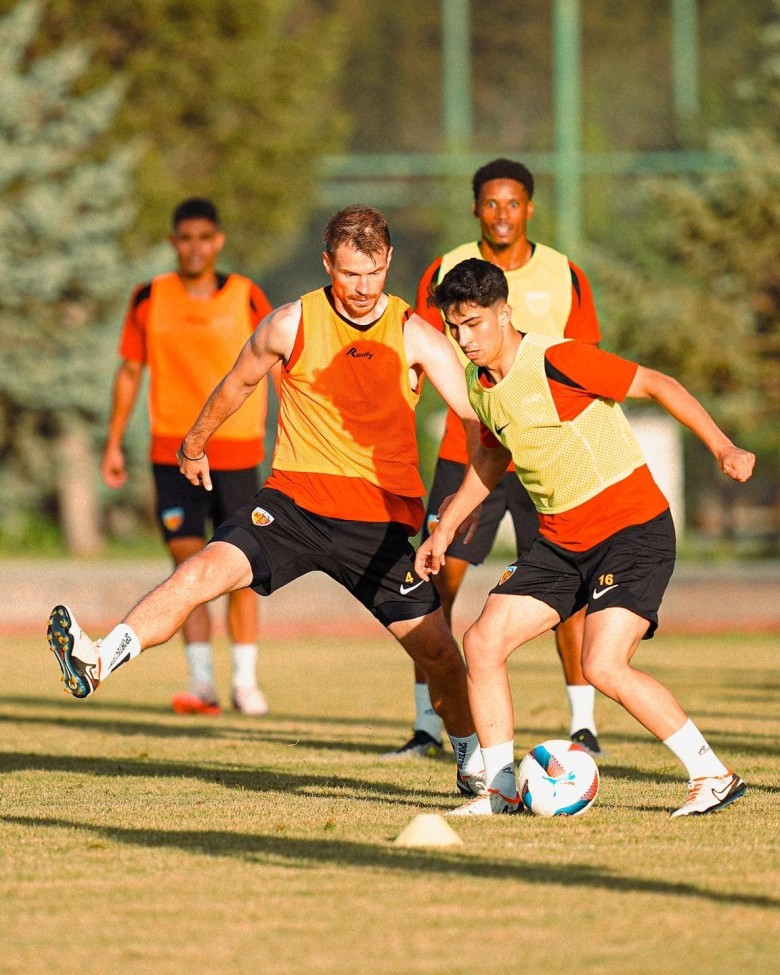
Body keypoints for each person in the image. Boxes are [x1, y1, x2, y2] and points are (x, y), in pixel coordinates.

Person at [47, 204, 488, 799]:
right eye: (350, 273)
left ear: (388, 261)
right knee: (199, 572)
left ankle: (473, 763)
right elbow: (239, 382)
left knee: (440, 655)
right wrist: (195, 442)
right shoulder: (289, 323)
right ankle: (97, 660)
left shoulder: (415, 335)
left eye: (374, 272)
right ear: (327, 264)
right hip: (293, 508)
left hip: (378, 525)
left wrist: (463, 503)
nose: (363, 288)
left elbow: (474, 422)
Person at [415, 258, 754, 817]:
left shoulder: (559, 359)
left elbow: (658, 383)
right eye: (454, 327)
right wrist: (444, 529)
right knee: (482, 642)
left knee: (602, 665)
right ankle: (501, 790)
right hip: (561, 542)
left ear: (504, 313)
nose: (464, 338)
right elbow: (493, 456)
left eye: (473, 323)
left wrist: (723, 447)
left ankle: (712, 774)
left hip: (631, 531)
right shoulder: (481, 386)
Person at [386, 158, 603, 761]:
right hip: (469, 452)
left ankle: (583, 726)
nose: (502, 214)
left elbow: (584, 367)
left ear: (529, 207)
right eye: (490, 203)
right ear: (475, 208)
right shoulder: (446, 269)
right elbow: (417, 353)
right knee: (436, 584)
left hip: (544, 456)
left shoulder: (565, 274)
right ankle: (428, 726)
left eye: (512, 203)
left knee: (571, 586)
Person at [101, 197, 273, 716]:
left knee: (244, 567)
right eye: (185, 238)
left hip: (237, 452)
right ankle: (201, 682)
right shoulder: (148, 297)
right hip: (172, 453)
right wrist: (113, 443)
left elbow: (280, 366)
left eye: (204, 237)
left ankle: (245, 682)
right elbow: (130, 372)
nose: (195, 247)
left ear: (218, 241)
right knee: (185, 564)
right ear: (173, 242)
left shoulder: (246, 295)